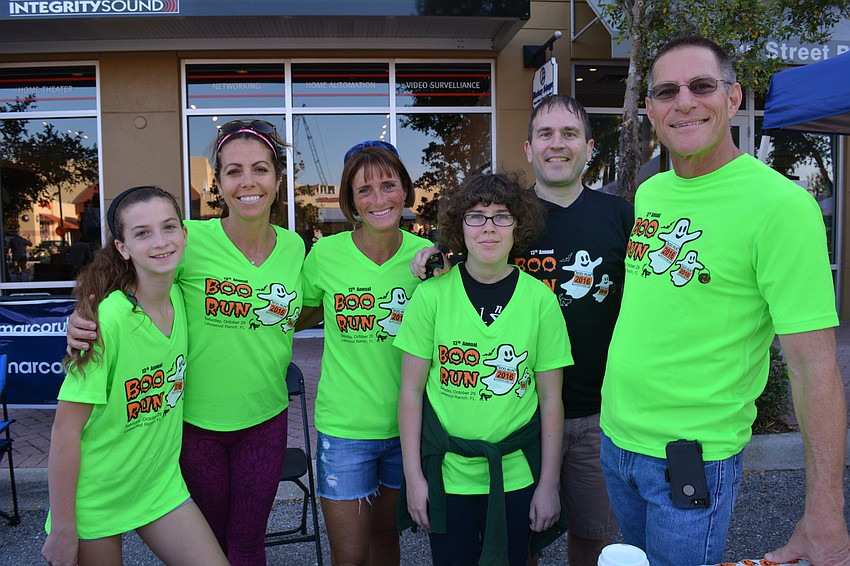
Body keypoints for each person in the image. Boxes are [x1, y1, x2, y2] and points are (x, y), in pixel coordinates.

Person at [599, 36, 850, 566]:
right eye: (667, 91)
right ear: (650, 109)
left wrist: (824, 511)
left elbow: (813, 368)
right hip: (616, 442)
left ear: (733, 98)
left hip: (689, 461)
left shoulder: (782, 207)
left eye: (702, 86)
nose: (684, 101)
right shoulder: (653, 190)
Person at [68, 119, 305, 566]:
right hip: (196, 425)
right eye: (233, 171)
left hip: (266, 419)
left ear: (278, 179)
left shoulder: (295, 247)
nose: (247, 182)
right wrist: (82, 313)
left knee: (250, 542)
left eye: (260, 169)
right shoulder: (188, 240)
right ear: (218, 182)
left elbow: (307, 307)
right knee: (209, 542)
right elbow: (125, 274)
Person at [42, 186, 228, 566]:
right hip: (98, 498)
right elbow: (65, 431)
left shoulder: (182, 297)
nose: (160, 242)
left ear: (185, 234)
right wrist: (63, 528)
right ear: (123, 247)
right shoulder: (106, 322)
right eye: (142, 233)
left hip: (159, 486)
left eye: (169, 227)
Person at [395, 172, 571, 566]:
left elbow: (550, 398)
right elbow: (410, 392)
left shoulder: (540, 301)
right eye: (476, 216)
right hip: (449, 475)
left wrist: (549, 484)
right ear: (460, 227)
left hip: (516, 476)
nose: (488, 227)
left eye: (501, 216)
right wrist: (414, 477)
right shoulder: (431, 296)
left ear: (517, 225)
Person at [298, 139, 433, 565]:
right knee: (350, 555)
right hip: (345, 431)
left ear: (406, 192)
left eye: (389, 185)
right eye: (364, 191)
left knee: (386, 539)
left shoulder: (426, 260)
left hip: (406, 431)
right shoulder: (325, 255)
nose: (379, 199)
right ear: (351, 202)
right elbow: (294, 315)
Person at [518, 94, 632, 565]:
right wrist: (429, 256)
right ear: (528, 149)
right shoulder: (504, 217)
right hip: (516, 410)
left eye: (569, 134)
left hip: (595, 416)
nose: (557, 144)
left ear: (589, 148)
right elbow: (454, 264)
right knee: (515, 539)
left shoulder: (621, 217)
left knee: (596, 538)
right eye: (546, 134)